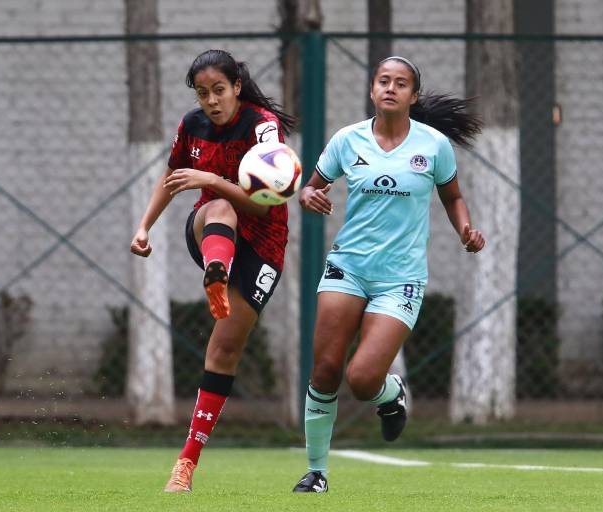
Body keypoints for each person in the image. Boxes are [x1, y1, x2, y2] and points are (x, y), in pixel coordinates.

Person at [291, 56, 485, 493]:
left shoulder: (434, 145)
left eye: (401, 84)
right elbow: (314, 185)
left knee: (361, 380)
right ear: (372, 90)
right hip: (348, 266)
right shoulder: (347, 140)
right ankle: (316, 472)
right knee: (324, 371)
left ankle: (388, 394)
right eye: (383, 81)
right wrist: (308, 195)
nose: (390, 88)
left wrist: (466, 230)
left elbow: (453, 197)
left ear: (414, 96)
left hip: (400, 279)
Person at [129, 49, 295, 493]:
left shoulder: (262, 126)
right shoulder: (192, 126)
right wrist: (144, 226)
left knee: (223, 351)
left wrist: (212, 180)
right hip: (211, 231)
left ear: (236, 87)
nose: (211, 101)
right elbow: (171, 179)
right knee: (218, 205)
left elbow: (270, 199)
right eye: (203, 93)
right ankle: (216, 272)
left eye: (218, 90)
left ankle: (188, 462)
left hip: (263, 244)